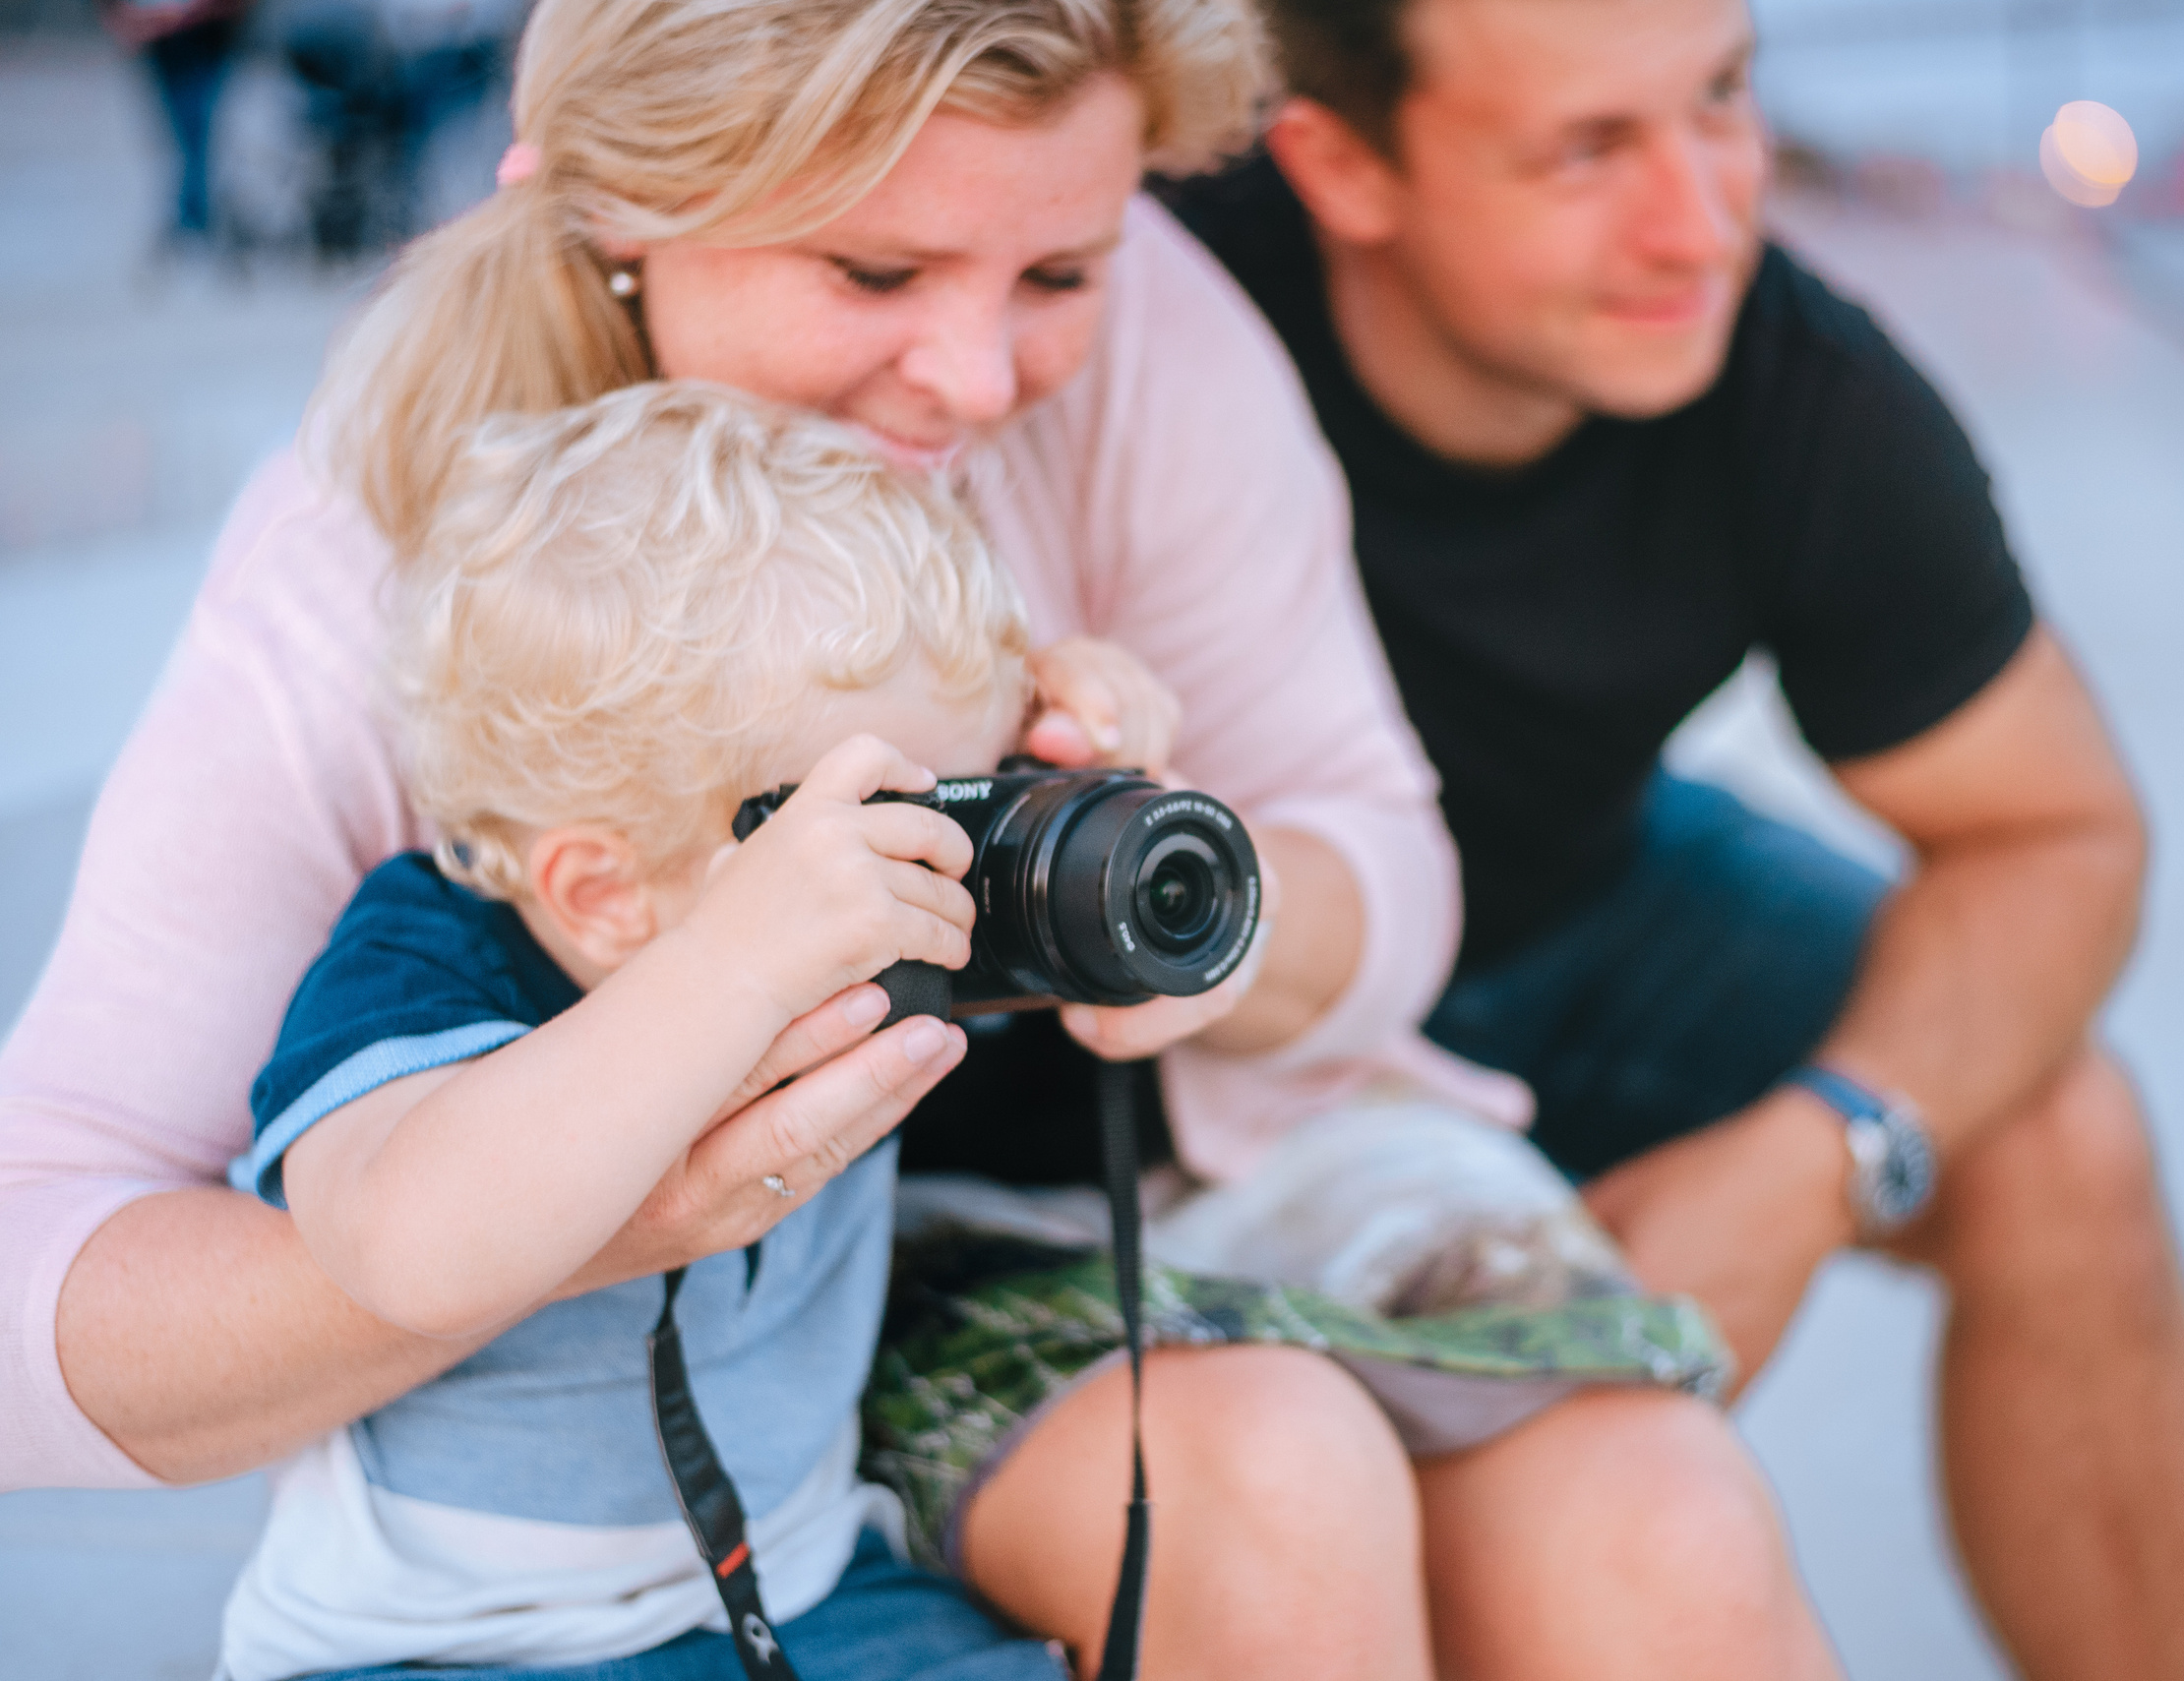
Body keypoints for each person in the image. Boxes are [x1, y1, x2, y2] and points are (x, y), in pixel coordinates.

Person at [0, 2, 1837, 1677]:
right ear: (614, 208)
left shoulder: (1153, 344)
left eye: (1058, 269)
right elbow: (40, 1280)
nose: (972, 372)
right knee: (1260, 1483)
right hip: (757, 1348)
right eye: (872, 266)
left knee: (1654, 1520)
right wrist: (582, 1190)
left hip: (1139, 1170)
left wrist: (1149, 886)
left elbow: (1386, 866)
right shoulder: (379, 565)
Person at [1166, 0, 2184, 1675]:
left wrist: (1818, 1148)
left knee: (2060, 1129)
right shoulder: (1127, 300)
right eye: (1588, 149)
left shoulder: (1790, 377)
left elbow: (2057, 831)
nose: (1706, 212)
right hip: (1191, 996)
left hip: (1579, 896)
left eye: (1722, 96)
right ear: (1340, 164)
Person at [218, 382, 1054, 1680]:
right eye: (883, 833)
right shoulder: (430, 958)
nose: (945, 876)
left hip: (807, 1581)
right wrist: (732, 966)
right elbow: (405, 1248)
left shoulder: (891, 942)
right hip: (437, 1648)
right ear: (601, 894)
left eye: (969, 806)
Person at [96, 0, 251, 251]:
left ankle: (195, 218)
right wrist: (119, 17)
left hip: (205, 29)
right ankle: (196, 217)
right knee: (185, 129)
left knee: (196, 127)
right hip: (163, 33)